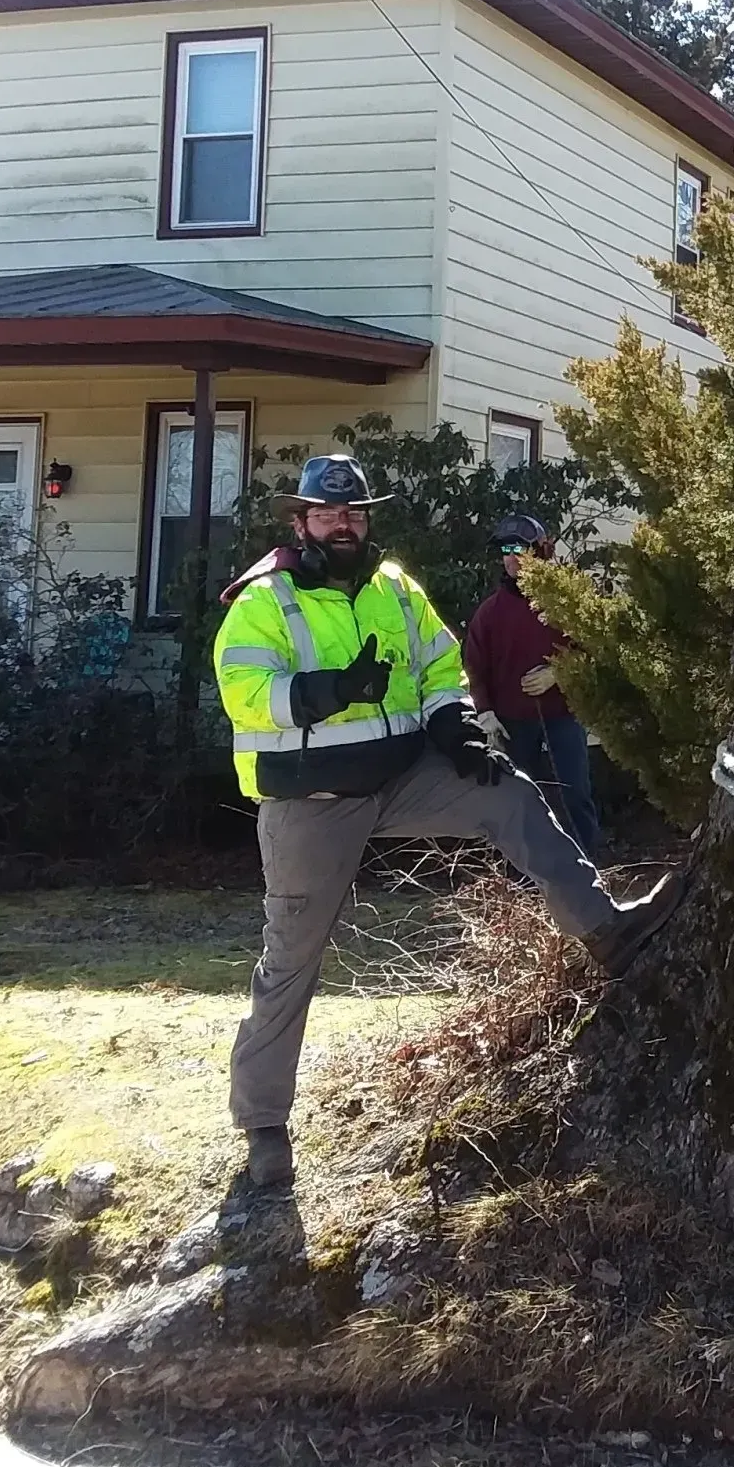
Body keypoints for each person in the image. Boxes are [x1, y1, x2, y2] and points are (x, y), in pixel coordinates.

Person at [213, 453, 684, 1190]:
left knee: (509, 793)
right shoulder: (264, 600)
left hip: (402, 775)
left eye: (357, 513)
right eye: (330, 514)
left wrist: (458, 725)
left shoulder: (395, 587)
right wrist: (323, 691)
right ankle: (264, 1124)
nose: (345, 524)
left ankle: (606, 929)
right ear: (299, 522)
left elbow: (439, 669)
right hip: (311, 801)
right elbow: (243, 691)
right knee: (291, 961)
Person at [462, 514, 603, 857]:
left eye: (519, 548)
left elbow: (596, 647)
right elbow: (473, 668)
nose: (511, 557)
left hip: (563, 716)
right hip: (511, 724)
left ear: (540, 551)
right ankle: (519, 877)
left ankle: (589, 872)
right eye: (505, 550)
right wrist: (486, 713)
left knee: (574, 795)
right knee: (517, 799)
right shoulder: (491, 612)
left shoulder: (566, 603)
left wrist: (560, 671)